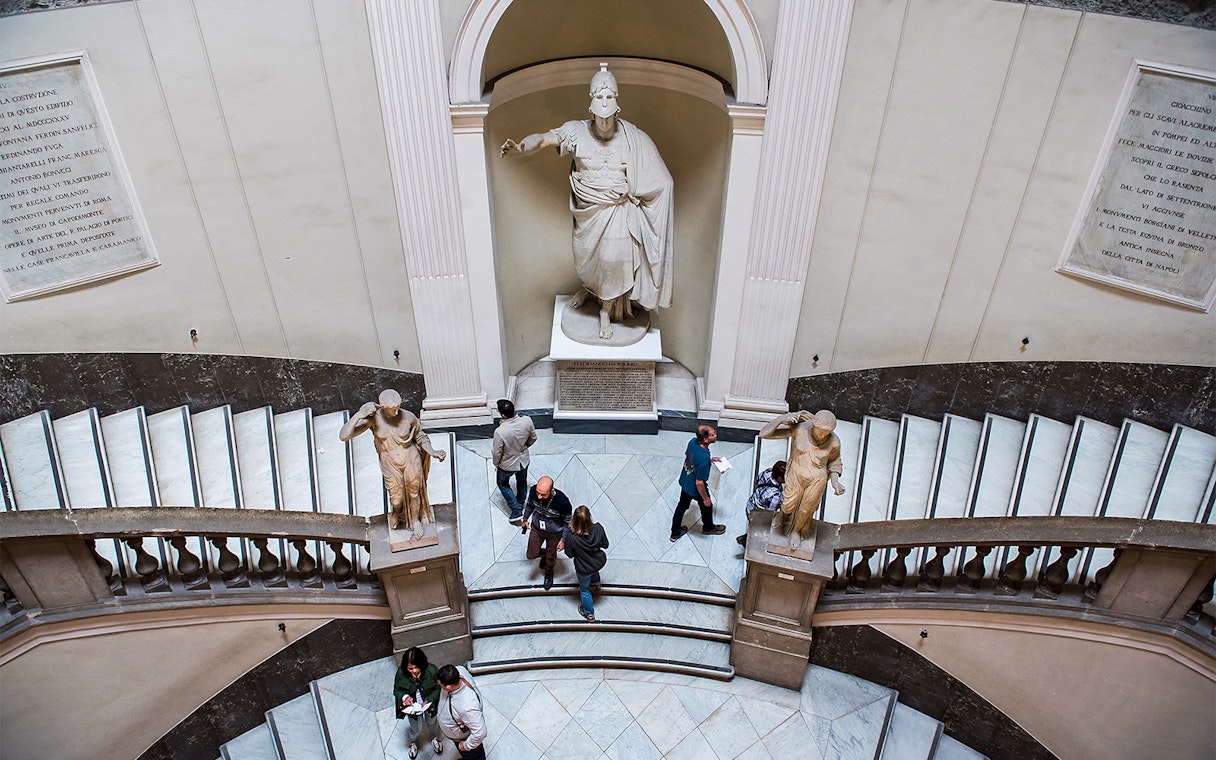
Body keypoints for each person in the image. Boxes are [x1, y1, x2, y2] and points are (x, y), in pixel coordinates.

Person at [501, 63, 674, 340]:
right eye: (599, 97)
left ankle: (606, 310)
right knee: (589, 263)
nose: (604, 104)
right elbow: (545, 139)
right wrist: (522, 148)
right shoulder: (575, 132)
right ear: (591, 101)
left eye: (609, 97)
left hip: (618, 212)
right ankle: (591, 290)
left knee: (613, 259)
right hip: (587, 213)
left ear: (617, 102)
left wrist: (638, 196)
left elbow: (663, 181)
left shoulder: (634, 139)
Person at [339, 389, 447, 537]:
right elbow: (344, 435)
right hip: (390, 463)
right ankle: (396, 511)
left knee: (414, 492)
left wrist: (432, 451)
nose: (397, 412)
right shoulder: (373, 419)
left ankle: (415, 521)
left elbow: (421, 436)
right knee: (396, 499)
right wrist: (359, 415)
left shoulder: (408, 417)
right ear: (383, 408)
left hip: (411, 459)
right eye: (393, 410)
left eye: (398, 408)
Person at [759, 410, 846, 549]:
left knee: (806, 509)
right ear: (814, 424)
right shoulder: (800, 429)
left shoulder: (834, 442)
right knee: (787, 504)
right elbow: (764, 434)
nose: (823, 435)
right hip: (796, 474)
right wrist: (781, 419)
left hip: (817, 479)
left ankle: (796, 531)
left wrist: (835, 482)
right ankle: (782, 516)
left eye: (827, 432)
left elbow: (835, 461)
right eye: (820, 430)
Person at [670, 424, 726, 541]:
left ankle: (675, 532)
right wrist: (705, 498)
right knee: (707, 506)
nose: (715, 435)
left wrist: (710, 459)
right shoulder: (703, 459)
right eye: (712, 434)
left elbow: (692, 457)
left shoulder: (693, 442)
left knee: (682, 506)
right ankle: (708, 527)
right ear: (706, 440)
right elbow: (699, 483)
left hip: (685, 481)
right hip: (695, 488)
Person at [521, 475, 573, 590]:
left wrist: (563, 540)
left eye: (543, 494)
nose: (539, 496)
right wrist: (525, 519)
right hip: (537, 528)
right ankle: (548, 554)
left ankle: (549, 571)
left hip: (554, 533)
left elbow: (567, 523)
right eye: (538, 492)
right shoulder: (534, 492)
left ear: (552, 491)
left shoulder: (563, 502)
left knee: (550, 558)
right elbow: (530, 505)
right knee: (531, 554)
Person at [492, 398, 536, 525]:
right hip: (524, 460)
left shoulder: (500, 432)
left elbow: (497, 453)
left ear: (502, 415)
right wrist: (523, 448)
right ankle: (520, 503)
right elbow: (533, 438)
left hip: (507, 464)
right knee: (522, 482)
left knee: (503, 484)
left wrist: (497, 463)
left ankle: (516, 509)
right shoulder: (527, 420)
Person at [392, 647, 442, 759]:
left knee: (432, 722)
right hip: (413, 707)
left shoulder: (431, 671)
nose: (414, 671)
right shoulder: (401, 673)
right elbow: (397, 690)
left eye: (416, 667)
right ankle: (413, 742)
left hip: (429, 705)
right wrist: (405, 697)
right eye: (410, 668)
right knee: (416, 728)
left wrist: (429, 699)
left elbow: (437, 689)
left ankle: (434, 738)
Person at [563, 505, 609, 621]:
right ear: (589, 517)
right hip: (598, 562)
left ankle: (589, 613)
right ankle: (596, 584)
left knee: (584, 590)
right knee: (594, 571)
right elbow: (605, 545)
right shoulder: (598, 528)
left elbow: (569, 554)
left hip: (583, 567)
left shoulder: (571, 537)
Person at [436, 664, 486, 760]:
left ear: (449, 687)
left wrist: (466, 745)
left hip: (464, 738)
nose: (440, 687)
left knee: (474, 756)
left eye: (441, 685)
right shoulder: (459, 670)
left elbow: (480, 732)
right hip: (457, 730)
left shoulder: (466, 706)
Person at [736, 460, 787, 547]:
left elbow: (757, 480)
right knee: (761, 529)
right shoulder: (775, 497)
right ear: (779, 479)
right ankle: (746, 540)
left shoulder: (768, 472)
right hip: (757, 514)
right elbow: (769, 515)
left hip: (751, 504)